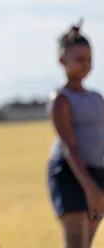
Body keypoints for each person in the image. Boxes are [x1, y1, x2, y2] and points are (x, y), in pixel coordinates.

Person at [47, 19, 104, 248]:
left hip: (97, 172)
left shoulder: (96, 98)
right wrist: (90, 188)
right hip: (70, 174)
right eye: (79, 60)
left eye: (89, 60)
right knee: (75, 243)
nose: (86, 65)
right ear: (63, 61)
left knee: (87, 243)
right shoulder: (60, 100)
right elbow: (70, 147)